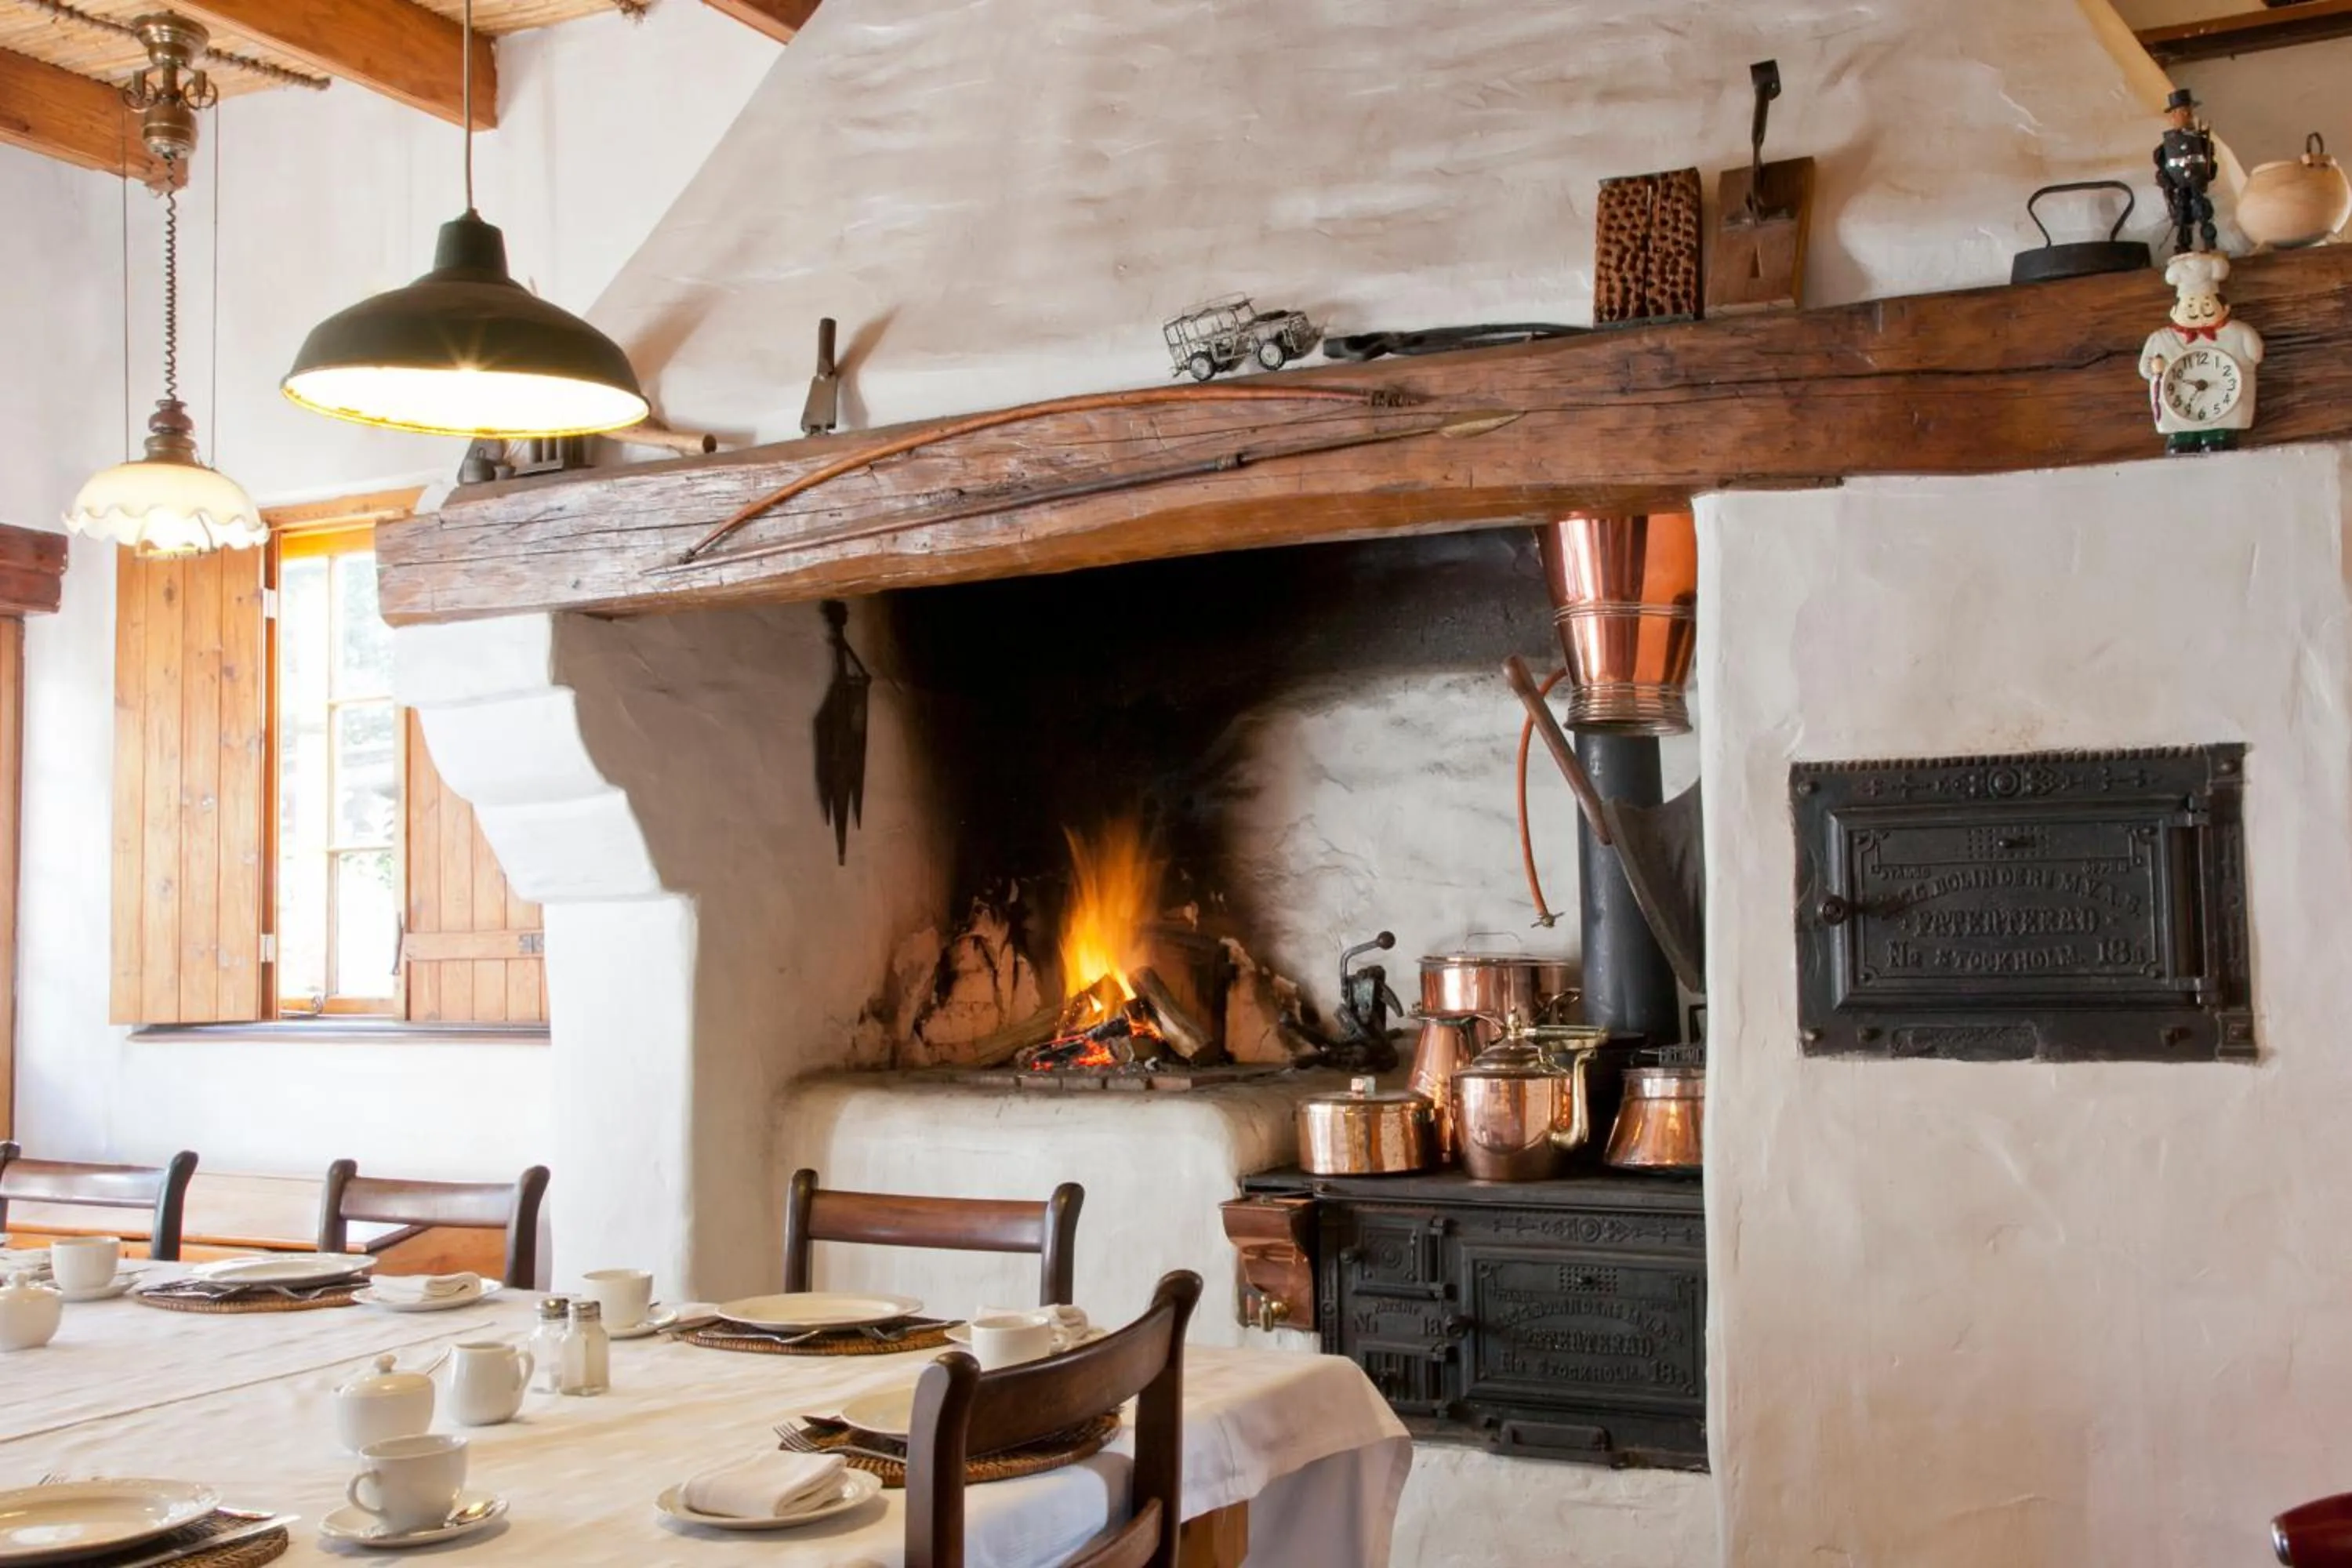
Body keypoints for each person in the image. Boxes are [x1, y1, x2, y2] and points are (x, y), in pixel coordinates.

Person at [2155, 86, 2219, 254]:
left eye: (2189, 111)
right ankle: (2183, 247)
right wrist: (2166, 181)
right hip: (2180, 186)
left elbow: (2210, 162)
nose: (2187, 115)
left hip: (2197, 183)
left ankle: (2209, 243)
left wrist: (2208, 173)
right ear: (2173, 116)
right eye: (2182, 111)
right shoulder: (2166, 146)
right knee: (2182, 216)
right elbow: (2162, 166)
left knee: (2203, 212)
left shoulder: (2202, 141)